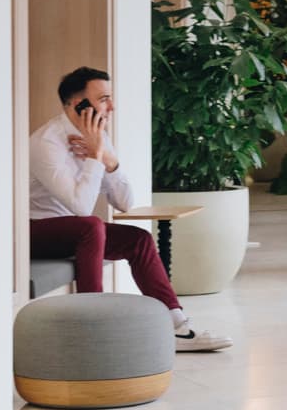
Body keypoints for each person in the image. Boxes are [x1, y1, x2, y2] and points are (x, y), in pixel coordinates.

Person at [29, 67, 231, 353]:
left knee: (138, 239)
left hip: (76, 231)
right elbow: (81, 207)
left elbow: (124, 202)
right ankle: (92, 327)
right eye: (103, 99)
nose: (111, 106)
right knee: (90, 226)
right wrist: (96, 156)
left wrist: (109, 160)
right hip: (36, 232)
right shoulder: (45, 143)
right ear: (79, 105)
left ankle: (177, 326)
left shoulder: (98, 136)